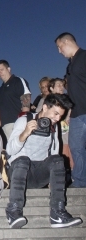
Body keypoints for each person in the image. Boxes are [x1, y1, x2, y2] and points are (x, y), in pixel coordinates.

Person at [5, 93, 82, 229]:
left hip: (38, 175)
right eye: (55, 114)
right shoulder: (24, 120)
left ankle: (57, 213)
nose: (58, 119)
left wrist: (54, 179)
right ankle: (13, 210)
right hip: (20, 172)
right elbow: (10, 151)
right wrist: (25, 133)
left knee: (58, 159)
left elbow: (54, 155)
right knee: (22, 160)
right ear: (45, 107)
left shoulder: (54, 127)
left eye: (61, 116)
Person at [55, 32, 86, 188]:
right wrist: (68, 113)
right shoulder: (70, 65)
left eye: (60, 47)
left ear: (67, 42)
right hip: (76, 114)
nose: (59, 51)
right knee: (76, 147)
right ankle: (81, 182)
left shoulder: (84, 57)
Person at [0, 60, 31, 140]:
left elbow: (26, 98)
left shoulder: (18, 81)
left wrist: (23, 120)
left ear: (8, 69)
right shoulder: (0, 90)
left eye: (2, 70)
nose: (0, 73)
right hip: (5, 127)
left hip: (17, 123)